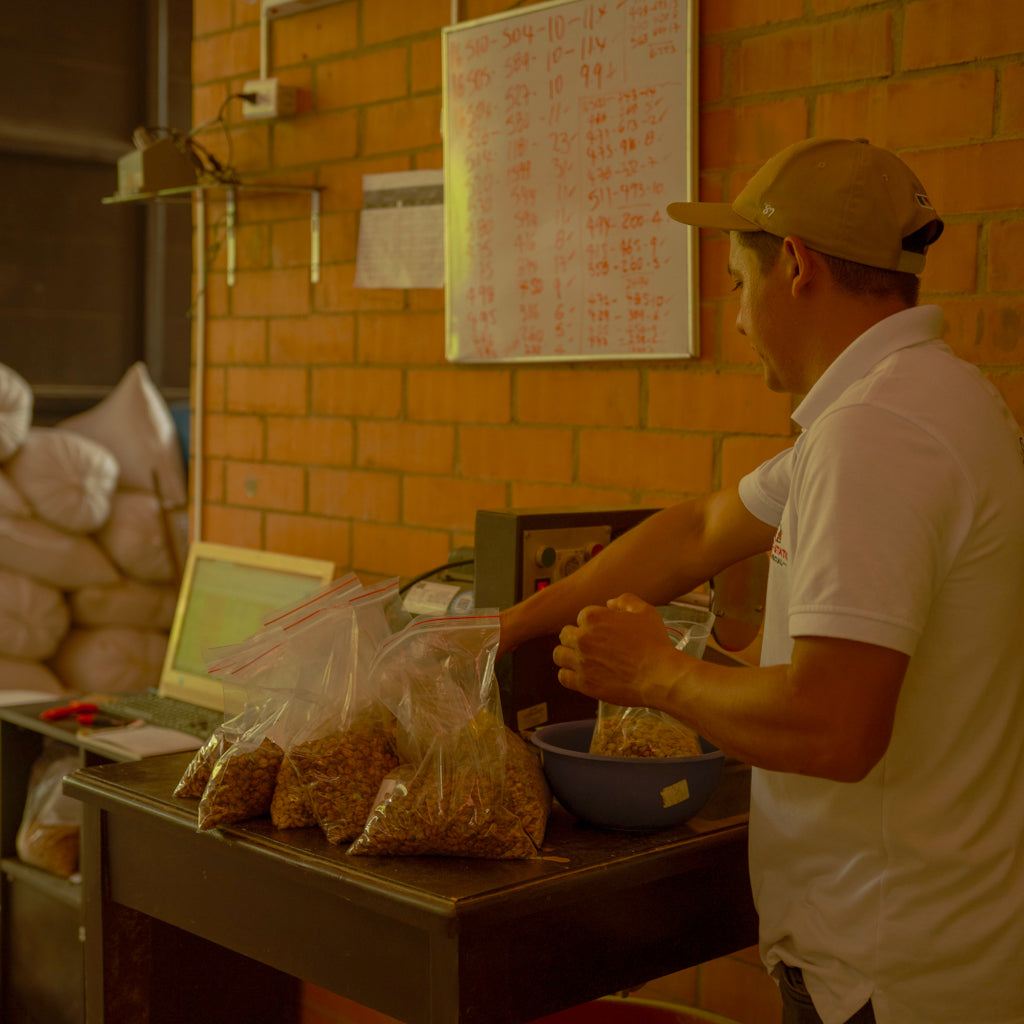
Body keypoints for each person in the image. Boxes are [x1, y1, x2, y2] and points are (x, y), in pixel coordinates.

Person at [498, 138, 1024, 1024]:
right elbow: (702, 529)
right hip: (945, 950)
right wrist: (507, 627)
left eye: (738, 287)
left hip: (887, 974)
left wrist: (653, 673)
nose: (737, 320)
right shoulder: (936, 397)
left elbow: (834, 728)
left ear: (795, 266)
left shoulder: (877, 434)